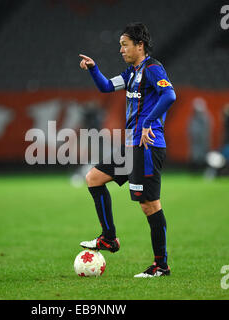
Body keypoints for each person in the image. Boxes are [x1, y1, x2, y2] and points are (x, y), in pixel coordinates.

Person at [78, 22, 176, 277]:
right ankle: (109, 238)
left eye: (125, 45)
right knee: (94, 178)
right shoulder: (132, 73)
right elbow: (106, 87)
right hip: (131, 145)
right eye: (120, 45)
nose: (121, 49)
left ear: (139, 45)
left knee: (150, 205)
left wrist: (148, 122)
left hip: (147, 146)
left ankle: (160, 266)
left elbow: (169, 96)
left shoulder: (153, 68)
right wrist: (93, 69)